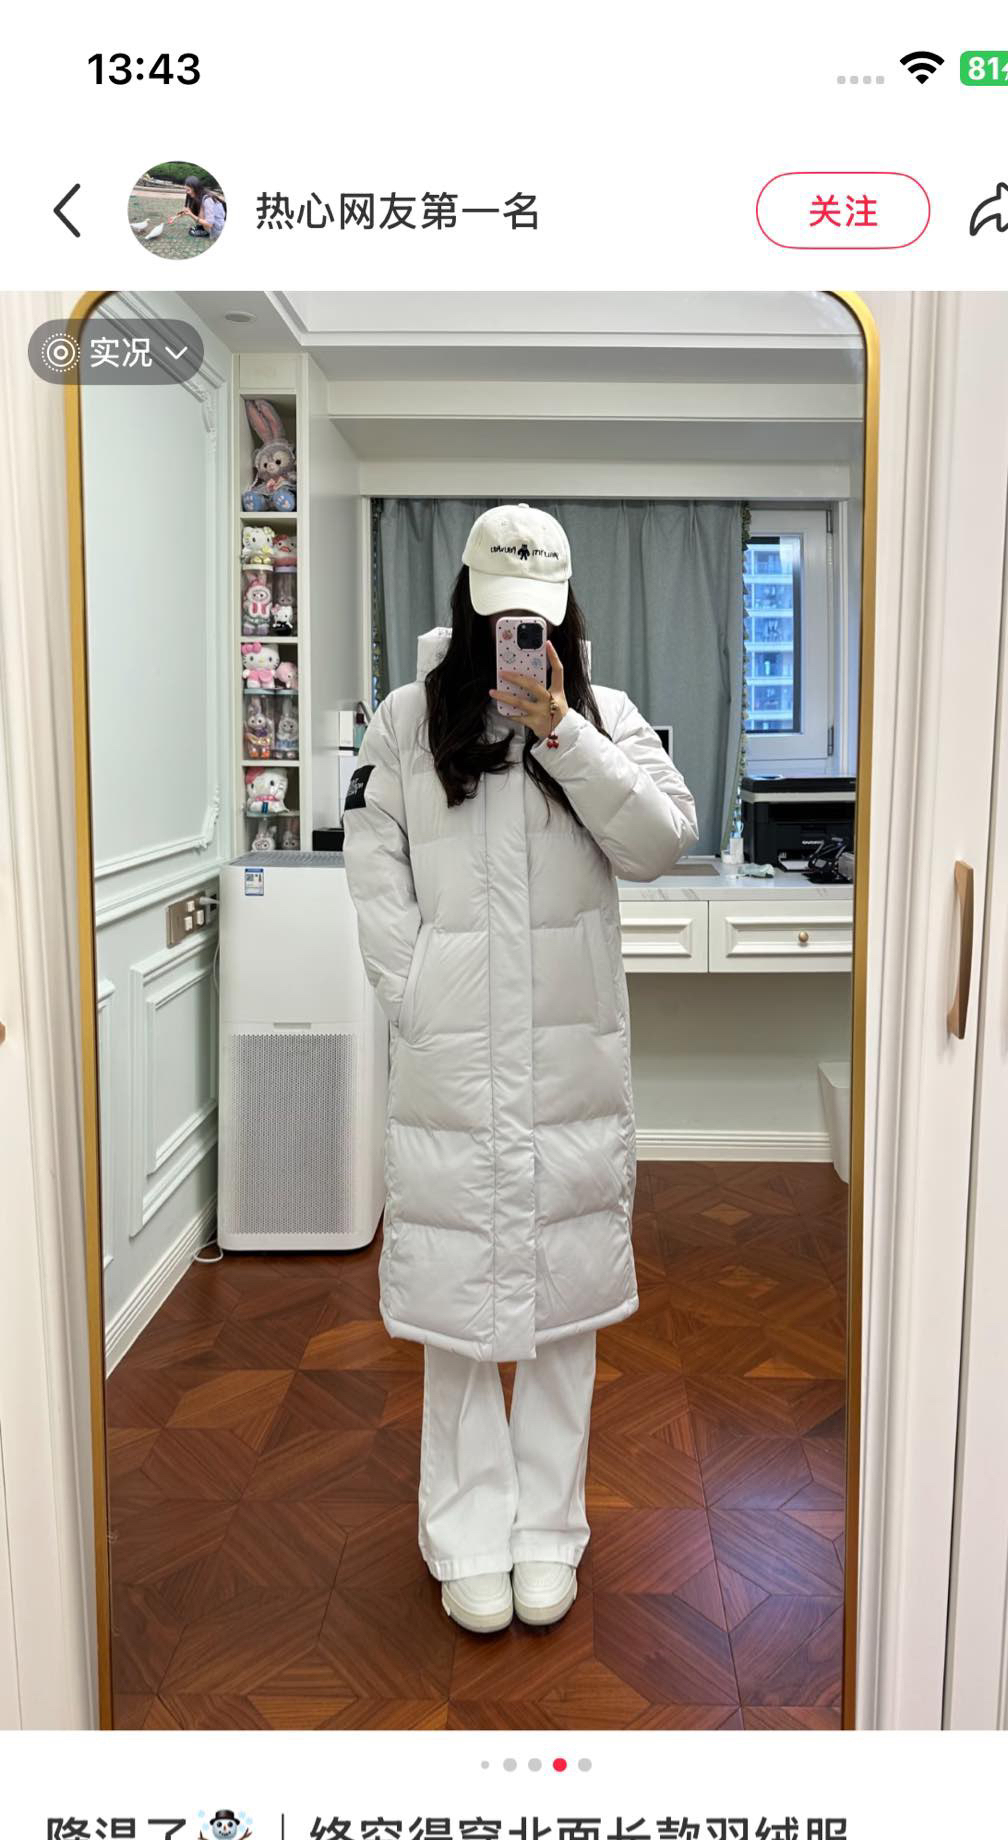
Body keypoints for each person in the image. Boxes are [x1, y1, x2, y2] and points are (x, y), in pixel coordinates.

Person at [344, 505, 698, 1634]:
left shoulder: (605, 714)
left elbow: (661, 842)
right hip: (453, 1057)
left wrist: (563, 733)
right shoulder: (406, 722)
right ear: (468, 604)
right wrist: (413, 996)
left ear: (562, 611)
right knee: (458, 1310)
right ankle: (464, 1535)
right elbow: (374, 870)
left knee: (563, 1305)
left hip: (567, 1057)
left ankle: (547, 1530)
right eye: (502, 615)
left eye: (535, 617)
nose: (519, 633)